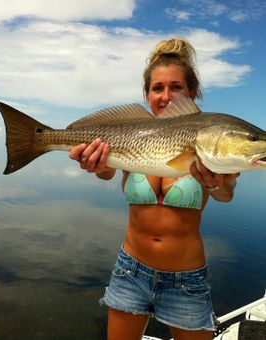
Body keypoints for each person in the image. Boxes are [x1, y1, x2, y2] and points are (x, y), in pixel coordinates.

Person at [69, 38, 240, 340]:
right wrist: (99, 167)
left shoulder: (210, 138)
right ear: (147, 94)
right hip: (130, 271)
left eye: (175, 87)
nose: (165, 95)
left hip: (185, 281)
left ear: (192, 92)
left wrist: (216, 184)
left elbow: (226, 195)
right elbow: (108, 171)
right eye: (157, 88)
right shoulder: (133, 133)